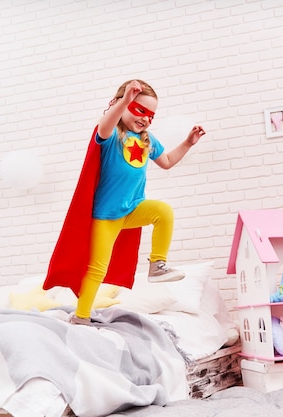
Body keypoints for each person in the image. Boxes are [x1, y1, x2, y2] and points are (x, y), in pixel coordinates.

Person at [43, 79, 206, 325]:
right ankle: (82, 316)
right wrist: (125, 100)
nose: (146, 119)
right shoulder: (111, 135)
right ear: (124, 105)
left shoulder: (147, 140)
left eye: (151, 115)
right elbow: (105, 122)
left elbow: (168, 161)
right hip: (105, 215)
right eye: (140, 111)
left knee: (163, 211)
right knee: (97, 268)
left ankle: (157, 265)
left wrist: (188, 143)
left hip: (132, 209)